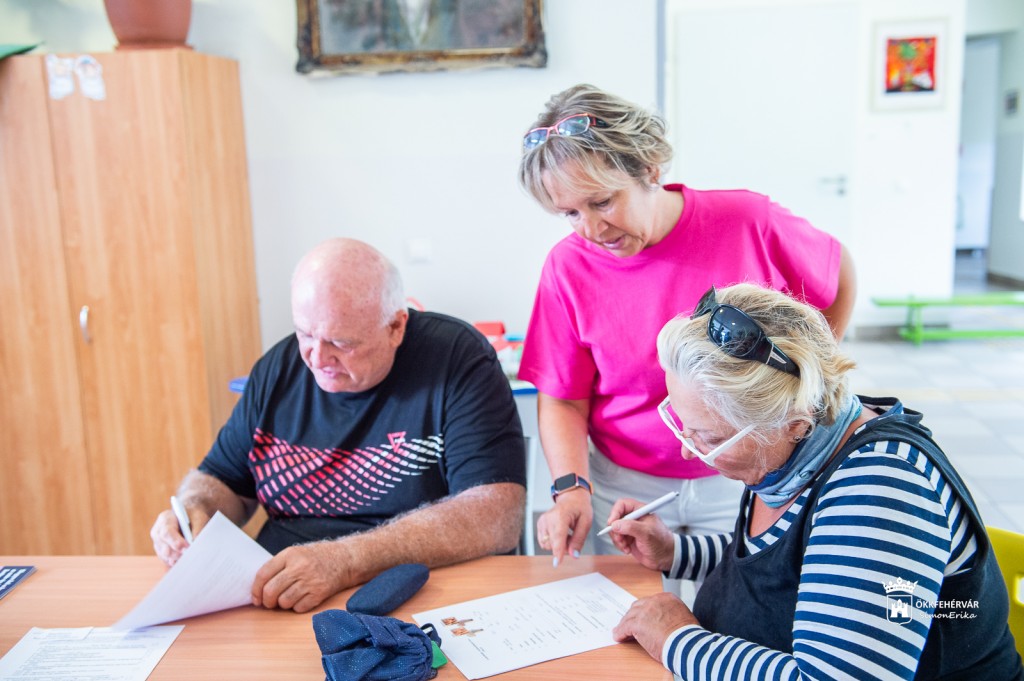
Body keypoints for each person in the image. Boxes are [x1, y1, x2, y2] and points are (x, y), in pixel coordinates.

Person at [608, 283, 1023, 679]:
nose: (688, 451)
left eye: (710, 438)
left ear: (794, 423)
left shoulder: (879, 490)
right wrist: (676, 551)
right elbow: (793, 568)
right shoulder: (796, 454)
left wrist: (677, 640)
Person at [516, 83, 857, 565]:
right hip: (626, 481)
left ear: (650, 169)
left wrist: (809, 378)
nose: (590, 230)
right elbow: (564, 397)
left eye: (602, 202)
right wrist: (570, 487)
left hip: (746, 473)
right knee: (629, 606)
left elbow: (837, 275)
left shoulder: (746, 221)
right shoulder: (568, 267)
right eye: (569, 213)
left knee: (740, 597)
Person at [151, 238, 526, 613]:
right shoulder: (277, 370)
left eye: (340, 342)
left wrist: (345, 560)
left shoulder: (456, 360)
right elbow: (223, 481)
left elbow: (495, 515)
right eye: (305, 334)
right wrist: (194, 508)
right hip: (282, 597)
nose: (316, 358)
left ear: (396, 327)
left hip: (413, 595)